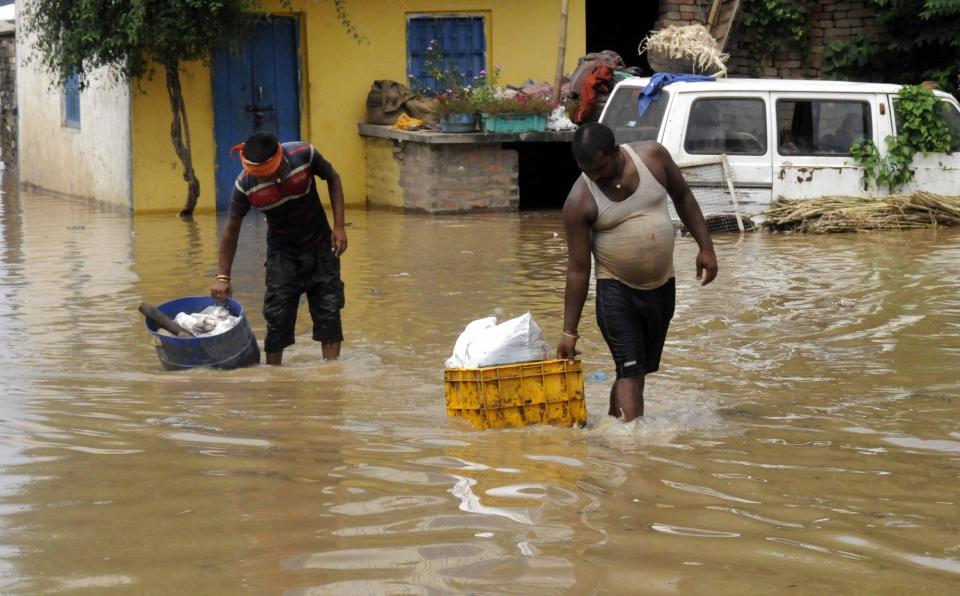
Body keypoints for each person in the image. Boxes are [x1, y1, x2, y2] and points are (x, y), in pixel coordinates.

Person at [557, 122, 718, 421]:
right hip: (616, 290)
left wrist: (706, 248)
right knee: (630, 370)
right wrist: (569, 332)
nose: (596, 177)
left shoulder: (653, 158)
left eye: (601, 168)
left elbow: (684, 198)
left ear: (616, 152)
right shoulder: (580, 201)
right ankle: (634, 449)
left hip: (661, 286)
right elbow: (578, 269)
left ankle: (610, 429)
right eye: (588, 171)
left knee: (635, 369)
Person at [211, 132, 347, 365]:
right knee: (277, 320)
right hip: (282, 255)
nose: (266, 179)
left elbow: (333, 179)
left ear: (281, 158)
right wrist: (223, 277)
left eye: (270, 173)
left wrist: (339, 226)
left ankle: (331, 374)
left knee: (330, 313)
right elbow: (231, 231)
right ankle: (274, 379)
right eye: (260, 175)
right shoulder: (245, 185)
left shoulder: (304, 154)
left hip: (320, 246)